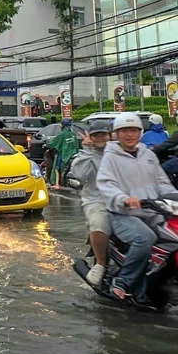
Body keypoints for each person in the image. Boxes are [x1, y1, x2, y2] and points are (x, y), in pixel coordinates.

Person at [97, 112, 178, 300]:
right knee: (145, 238)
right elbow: (106, 184)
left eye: (134, 130)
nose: (129, 135)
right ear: (117, 134)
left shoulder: (148, 155)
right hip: (124, 214)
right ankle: (123, 281)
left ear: (140, 132)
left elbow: (162, 182)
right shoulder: (110, 157)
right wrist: (123, 198)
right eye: (124, 131)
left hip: (152, 212)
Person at [67, 121, 113, 286]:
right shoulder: (85, 155)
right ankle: (100, 263)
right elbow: (79, 174)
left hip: (122, 199)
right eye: (96, 135)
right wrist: (87, 150)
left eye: (103, 134)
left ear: (110, 135)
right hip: (96, 199)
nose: (100, 138)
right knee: (99, 225)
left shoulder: (119, 152)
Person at [46, 118, 80, 188]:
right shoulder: (73, 134)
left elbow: (52, 143)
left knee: (56, 168)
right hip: (74, 155)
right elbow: (76, 145)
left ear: (62, 125)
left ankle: (56, 184)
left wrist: (47, 143)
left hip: (64, 154)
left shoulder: (62, 134)